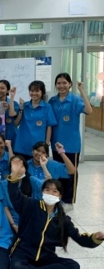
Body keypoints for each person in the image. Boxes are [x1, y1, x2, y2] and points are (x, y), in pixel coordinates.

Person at [7, 158, 104, 269]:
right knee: (16, 265)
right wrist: (14, 174)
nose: (50, 193)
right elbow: (14, 195)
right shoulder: (30, 205)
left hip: (46, 255)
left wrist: (96, 238)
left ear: (59, 196)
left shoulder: (63, 219)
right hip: (24, 251)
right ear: (42, 192)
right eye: (47, 190)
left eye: (54, 191)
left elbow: (80, 239)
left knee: (74, 266)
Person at [49, 73, 93, 209]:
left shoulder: (75, 99)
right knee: (58, 172)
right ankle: (59, 198)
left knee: (71, 172)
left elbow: (89, 111)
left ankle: (69, 201)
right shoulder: (52, 101)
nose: (61, 86)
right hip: (56, 144)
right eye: (59, 83)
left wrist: (82, 91)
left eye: (64, 83)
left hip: (71, 144)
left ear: (70, 84)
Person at [9, 81, 57, 160]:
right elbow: (16, 123)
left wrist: (46, 144)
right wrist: (21, 109)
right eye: (31, 91)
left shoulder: (47, 107)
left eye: (37, 91)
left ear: (42, 92)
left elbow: (49, 127)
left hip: (38, 148)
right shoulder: (25, 105)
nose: (34, 93)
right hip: (21, 146)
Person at [1, 155, 43, 235]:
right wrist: (13, 225)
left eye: (21, 166)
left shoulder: (32, 180)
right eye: (15, 166)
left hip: (31, 218)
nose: (18, 169)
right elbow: (5, 207)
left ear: (26, 168)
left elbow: (48, 185)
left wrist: (43, 166)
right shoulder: (4, 184)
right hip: (13, 221)